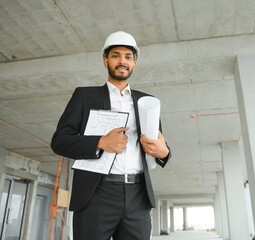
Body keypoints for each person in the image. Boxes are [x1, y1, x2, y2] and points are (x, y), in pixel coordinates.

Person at [51, 31, 171, 240]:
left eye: (128, 57)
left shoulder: (148, 101)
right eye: (116, 55)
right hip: (96, 194)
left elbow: (159, 144)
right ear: (105, 60)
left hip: (137, 196)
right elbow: (59, 141)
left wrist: (165, 153)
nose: (122, 61)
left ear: (134, 63)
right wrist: (100, 142)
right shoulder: (84, 96)